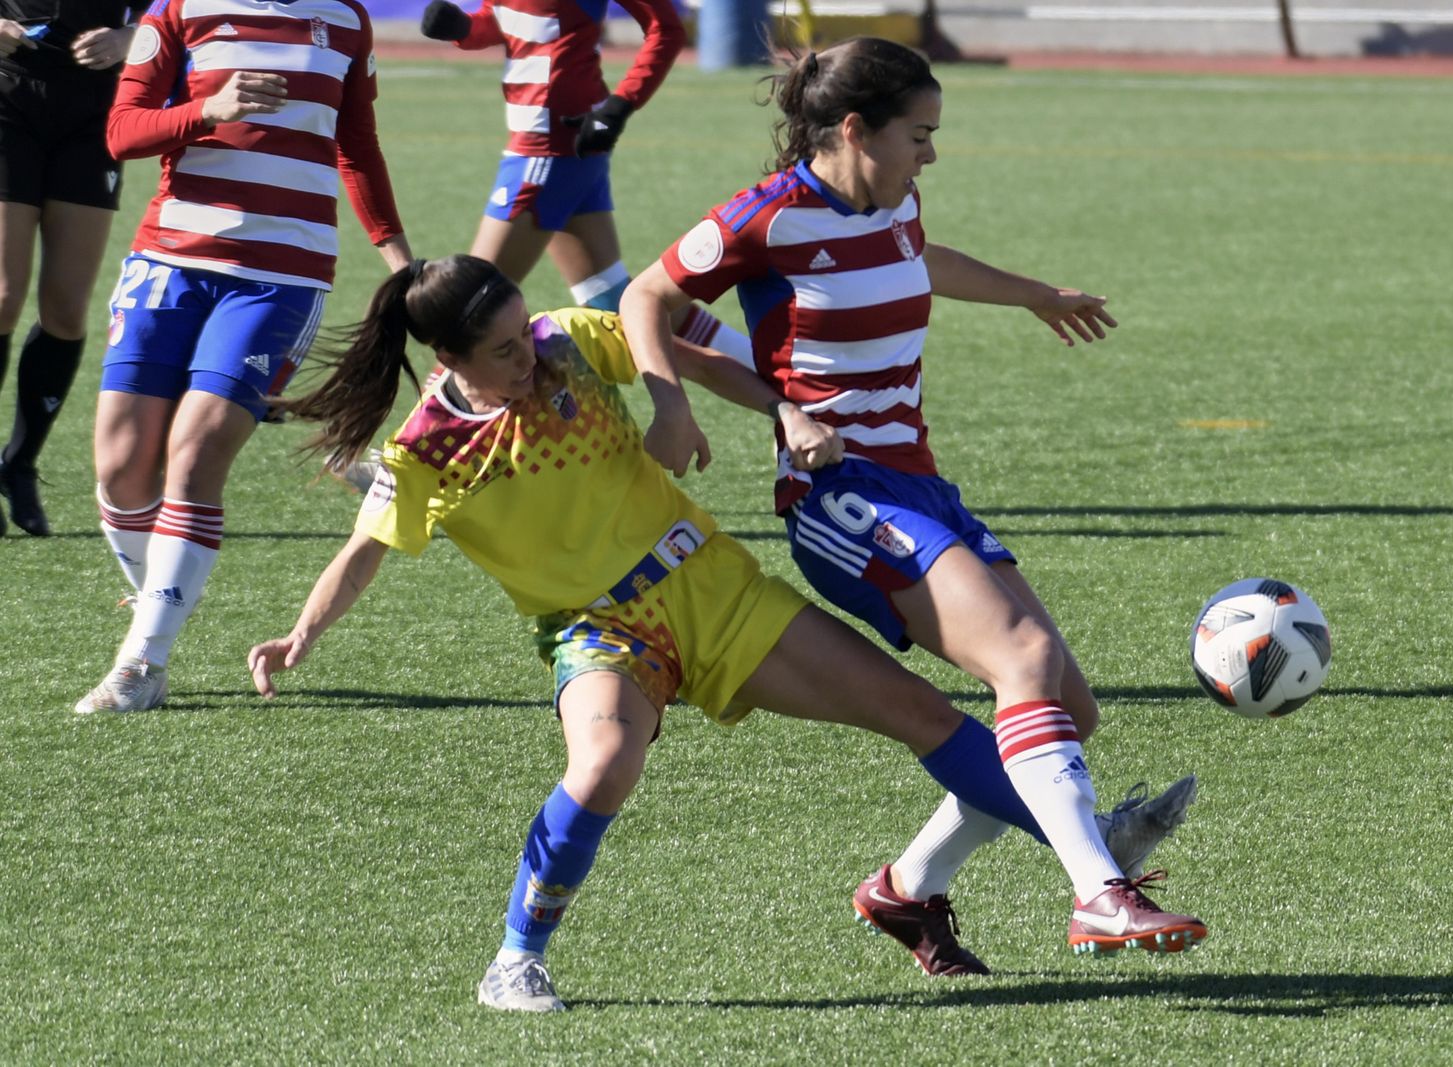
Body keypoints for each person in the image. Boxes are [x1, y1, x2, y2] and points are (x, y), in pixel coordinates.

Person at [246, 254, 1205, 1013]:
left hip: (710, 586)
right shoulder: (424, 451)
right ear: (447, 363)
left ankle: (1087, 854)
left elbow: (682, 348)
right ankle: (517, 958)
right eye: (500, 352)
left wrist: (755, 407)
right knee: (605, 762)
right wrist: (299, 636)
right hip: (596, 630)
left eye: (521, 332)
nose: (527, 357)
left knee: (919, 711)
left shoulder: (565, 343)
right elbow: (364, 552)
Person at [620, 36, 1196, 974]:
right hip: (836, 492)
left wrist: (1032, 296)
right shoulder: (766, 215)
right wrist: (679, 404)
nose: (931, 153)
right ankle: (1099, 891)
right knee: (1027, 656)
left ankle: (907, 888)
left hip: (921, 484)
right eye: (920, 134)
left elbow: (923, 258)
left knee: (1063, 706)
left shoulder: (893, 199)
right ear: (856, 129)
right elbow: (645, 295)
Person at [74, 0, 411, 714]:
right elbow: (121, 133)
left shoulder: (345, 18)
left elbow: (359, 147)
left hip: (281, 274)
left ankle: (142, 664)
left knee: (195, 454)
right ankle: (157, 603)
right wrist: (207, 108)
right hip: (169, 261)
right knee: (121, 462)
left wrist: (398, 259)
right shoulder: (178, 11)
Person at [413, 0, 745, 350]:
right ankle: (774, 375)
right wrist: (464, 28)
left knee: (469, 310)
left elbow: (666, 27)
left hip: (549, 149)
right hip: (547, 147)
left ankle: (435, 405)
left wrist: (619, 106)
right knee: (614, 299)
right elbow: (514, 21)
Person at [0, 2, 147, 536]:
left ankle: (19, 464)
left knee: (65, 310)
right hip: (8, 95)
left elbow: (181, 13)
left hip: (95, 112)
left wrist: (132, 36)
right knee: (2, 296)